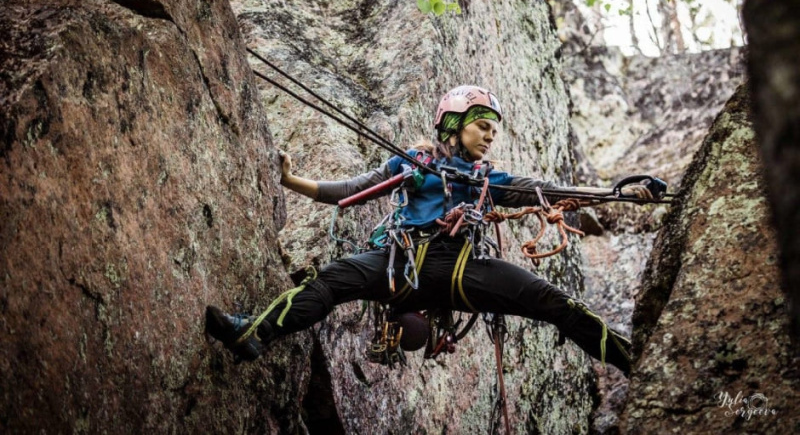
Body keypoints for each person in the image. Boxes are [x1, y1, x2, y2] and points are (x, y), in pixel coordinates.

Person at [206, 85, 652, 375]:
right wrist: (290, 181)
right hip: (401, 265)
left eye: (494, 129)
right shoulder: (409, 164)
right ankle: (253, 333)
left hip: (460, 267)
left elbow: (546, 191)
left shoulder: (487, 180)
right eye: (483, 126)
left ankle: (632, 360)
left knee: (552, 301)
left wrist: (618, 193)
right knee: (332, 279)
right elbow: (353, 189)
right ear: (454, 125)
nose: (490, 136)